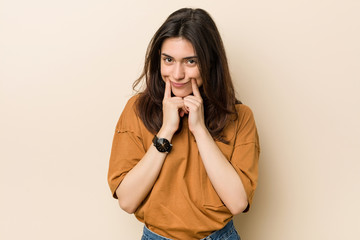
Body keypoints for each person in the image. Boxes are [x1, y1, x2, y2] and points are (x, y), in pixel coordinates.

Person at [107, 8, 260, 240]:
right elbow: (127, 201)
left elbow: (237, 202)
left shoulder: (240, 117)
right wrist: (166, 130)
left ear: (210, 63)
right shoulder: (136, 110)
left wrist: (199, 129)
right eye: (168, 60)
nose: (177, 74)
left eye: (190, 61)